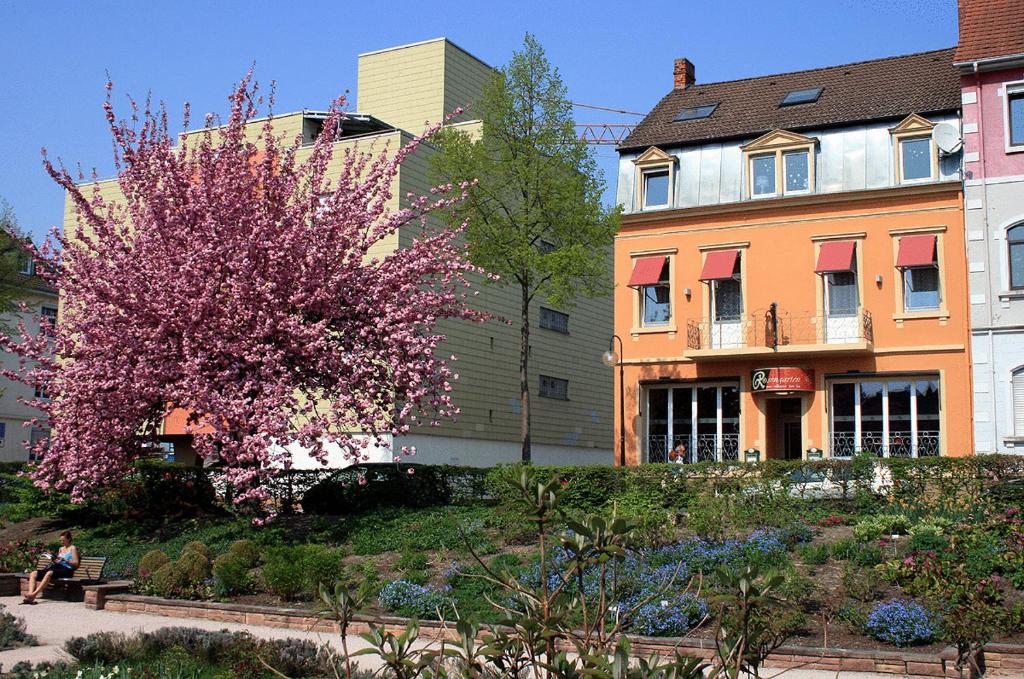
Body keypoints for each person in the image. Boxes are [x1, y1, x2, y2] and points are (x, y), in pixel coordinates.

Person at [22, 530, 79, 604]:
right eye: (60, 540)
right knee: (33, 573)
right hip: (57, 567)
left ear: (68, 539)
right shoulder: (61, 549)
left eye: (63, 540)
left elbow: (76, 563)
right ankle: (30, 593)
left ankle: (33, 595)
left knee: (49, 572)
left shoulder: (73, 548)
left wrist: (65, 560)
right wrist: (55, 560)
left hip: (67, 570)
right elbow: (58, 560)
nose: (61, 542)